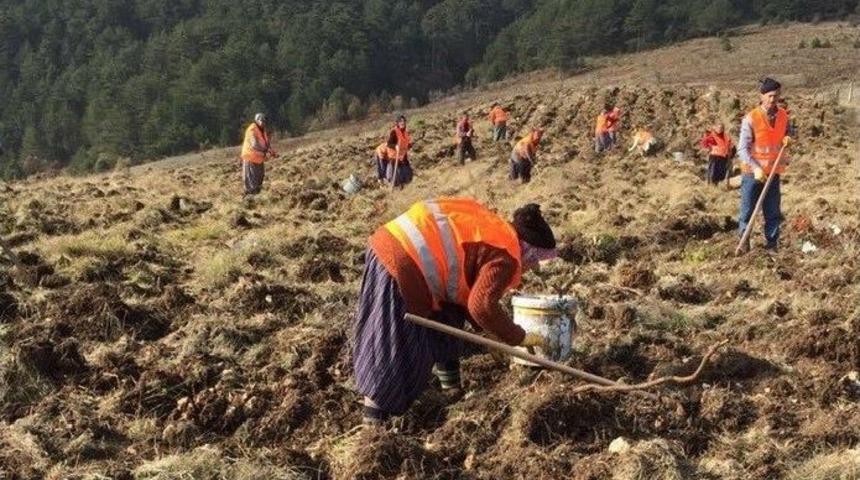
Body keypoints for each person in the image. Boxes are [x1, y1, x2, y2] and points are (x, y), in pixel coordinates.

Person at [352, 198, 558, 424]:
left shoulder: (495, 230)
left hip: (394, 243)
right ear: (528, 252)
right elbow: (481, 306)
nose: (532, 268)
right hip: (401, 261)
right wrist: (518, 337)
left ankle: (451, 388)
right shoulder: (506, 256)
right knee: (393, 348)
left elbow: (466, 295)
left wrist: (492, 335)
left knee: (449, 314)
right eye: (535, 262)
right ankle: (372, 424)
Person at [737, 77, 794, 253]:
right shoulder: (751, 118)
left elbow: (787, 132)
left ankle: (772, 245)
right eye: (769, 96)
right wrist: (755, 168)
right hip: (752, 174)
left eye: (776, 96)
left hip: (773, 172)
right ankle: (744, 242)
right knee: (747, 211)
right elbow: (742, 149)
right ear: (761, 96)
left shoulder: (784, 115)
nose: (772, 99)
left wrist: (788, 138)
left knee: (773, 212)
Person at [240, 113, 278, 195]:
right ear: (256, 120)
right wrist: (265, 152)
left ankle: (257, 196)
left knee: (259, 179)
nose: (263, 122)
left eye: (264, 121)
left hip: (259, 159)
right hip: (251, 158)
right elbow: (255, 145)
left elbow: (266, 144)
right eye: (261, 120)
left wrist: (272, 152)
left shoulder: (262, 131)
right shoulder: (252, 130)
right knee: (251, 180)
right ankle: (250, 199)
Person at [385, 114, 413, 188]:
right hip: (394, 157)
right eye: (400, 121)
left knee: (408, 175)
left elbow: (406, 144)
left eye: (404, 121)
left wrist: (410, 146)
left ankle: (405, 187)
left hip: (403, 156)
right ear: (397, 123)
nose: (402, 123)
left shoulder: (405, 133)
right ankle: (395, 189)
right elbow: (389, 143)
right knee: (396, 177)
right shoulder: (394, 132)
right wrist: (395, 146)